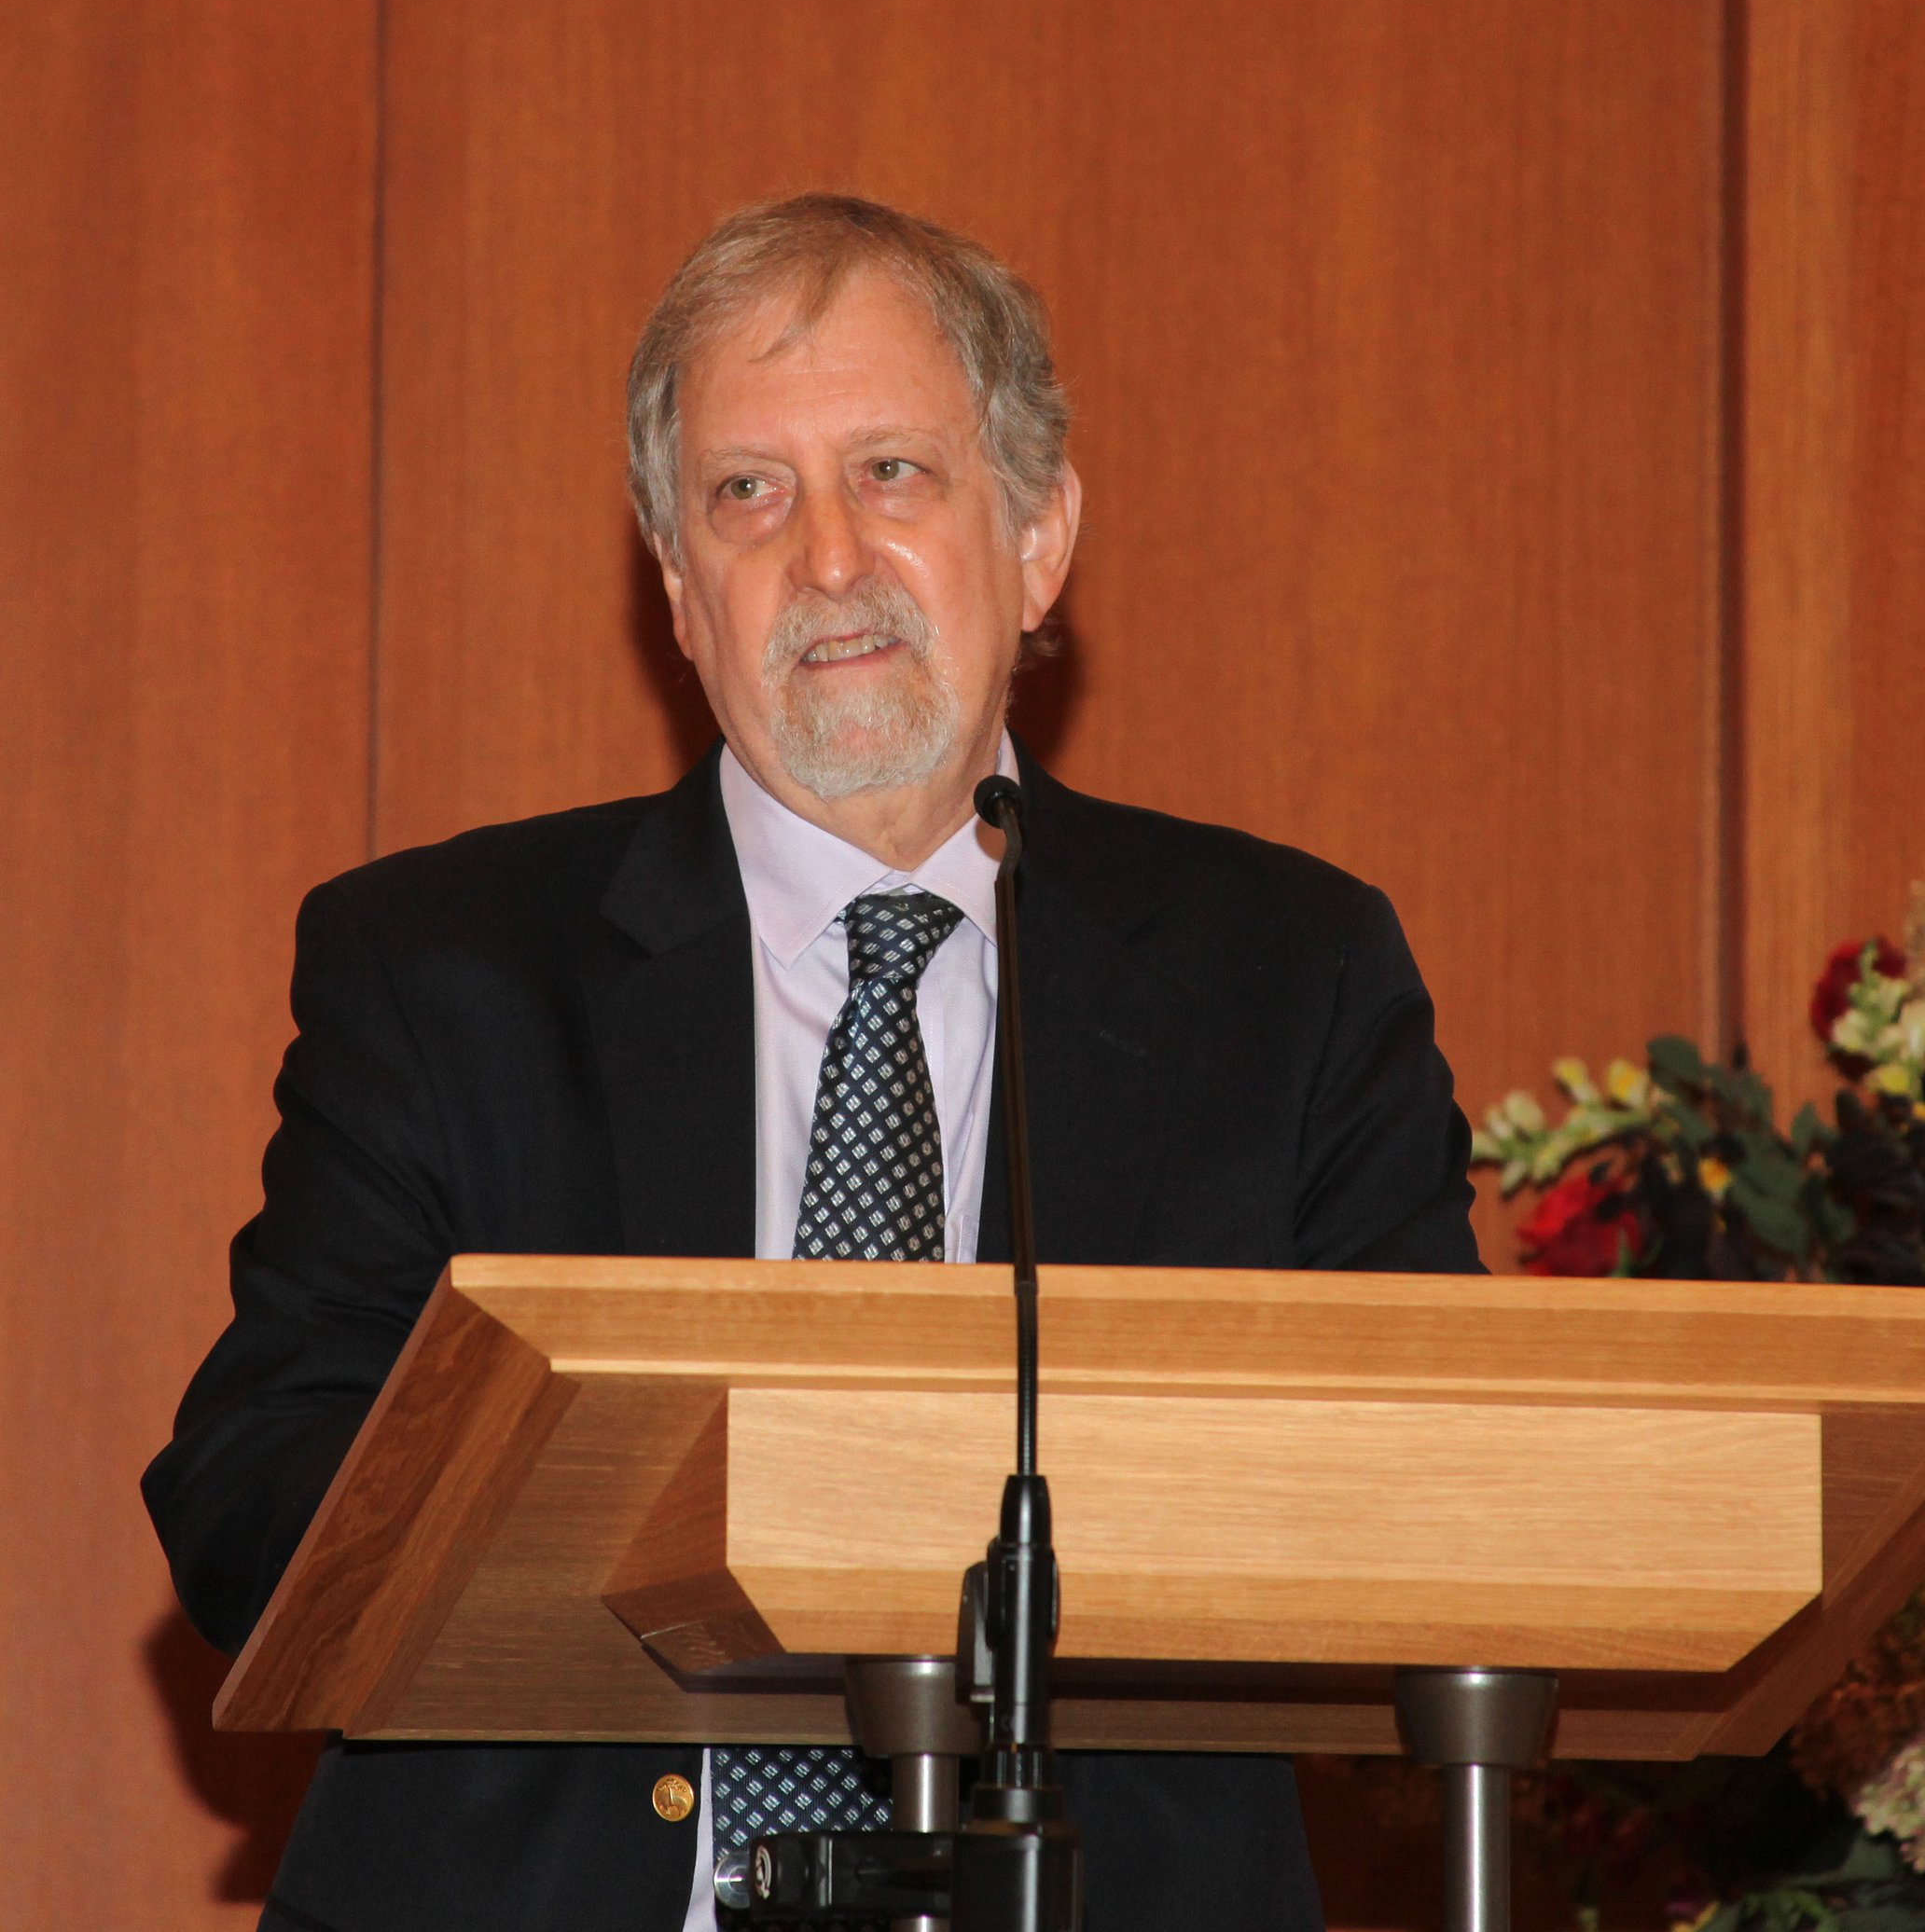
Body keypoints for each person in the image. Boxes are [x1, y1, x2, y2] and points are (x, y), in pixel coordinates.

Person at [145, 193, 1483, 1932]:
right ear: (681, 591)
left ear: (1042, 535)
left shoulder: (1288, 975)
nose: (828, 560)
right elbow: (256, 1500)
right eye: (747, 493)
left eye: (894, 475)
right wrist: (620, 1505)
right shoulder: (443, 968)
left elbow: (1445, 1511)